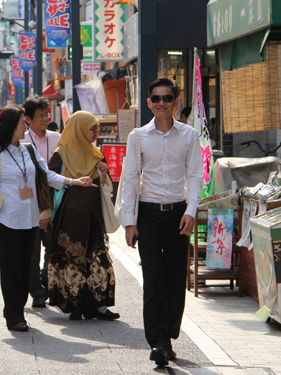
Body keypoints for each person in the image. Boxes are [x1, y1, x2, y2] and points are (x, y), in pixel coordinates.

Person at [0, 105, 95, 332]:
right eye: (23, 123)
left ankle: (15, 308)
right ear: (12, 126)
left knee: (24, 268)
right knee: (10, 269)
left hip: (30, 219)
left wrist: (74, 181)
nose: (26, 126)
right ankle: (14, 315)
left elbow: (47, 175)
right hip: (6, 220)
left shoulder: (28, 150)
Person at [122, 78, 203, 366]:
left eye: (167, 98)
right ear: (148, 103)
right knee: (153, 278)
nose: (161, 103)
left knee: (174, 278)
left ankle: (169, 334)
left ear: (175, 101)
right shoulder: (138, 137)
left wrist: (191, 211)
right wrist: (129, 222)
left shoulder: (189, 136)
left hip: (178, 213)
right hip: (148, 214)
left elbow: (195, 176)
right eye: (156, 98)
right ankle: (157, 341)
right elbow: (130, 178)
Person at [47, 110, 120, 322]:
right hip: (70, 216)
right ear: (79, 129)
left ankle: (100, 305)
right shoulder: (62, 153)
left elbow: (106, 185)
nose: (96, 132)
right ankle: (74, 303)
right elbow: (50, 181)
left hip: (94, 214)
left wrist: (104, 174)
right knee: (73, 257)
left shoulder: (97, 154)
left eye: (97, 128)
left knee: (98, 257)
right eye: (92, 128)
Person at [22, 95, 61, 309]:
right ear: (28, 119)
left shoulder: (58, 138)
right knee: (32, 249)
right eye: (40, 116)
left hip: (55, 201)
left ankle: (45, 283)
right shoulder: (21, 141)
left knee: (53, 245)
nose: (45, 119)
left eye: (46, 114)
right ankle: (36, 291)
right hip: (30, 202)